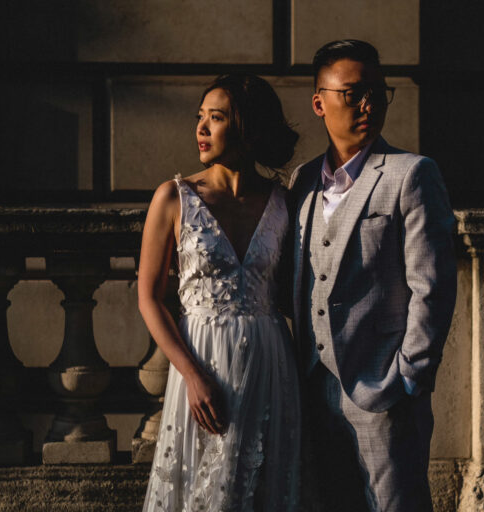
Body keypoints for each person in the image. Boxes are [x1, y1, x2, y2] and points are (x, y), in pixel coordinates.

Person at [289, 40, 457, 511]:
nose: (368, 105)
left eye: (378, 93)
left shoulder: (411, 174)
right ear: (319, 102)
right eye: (353, 93)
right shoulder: (302, 182)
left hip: (384, 389)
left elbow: (433, 286)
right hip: (312, 391)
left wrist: (409, 378)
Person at [139, 73, 301, 512]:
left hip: (269, 362)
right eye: (201, 117)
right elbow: (149, 298)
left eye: (216, 117)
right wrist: (191, 375)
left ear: (247, 127)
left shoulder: (283, 202)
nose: (201, 128)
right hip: (202, 360)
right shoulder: (174, 198)